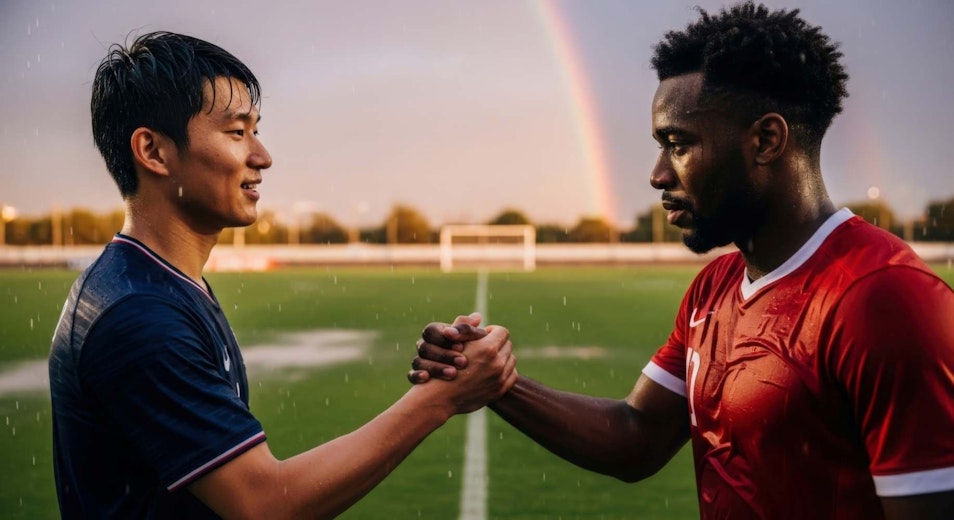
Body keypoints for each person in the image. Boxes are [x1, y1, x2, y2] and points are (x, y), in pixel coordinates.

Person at [410, 3, 954, 518]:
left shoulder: (883, 299)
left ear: (767, 140)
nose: (657, 175)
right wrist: (496, 383)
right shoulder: (714, 287)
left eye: (678, 144)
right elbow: (637, 435)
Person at [48, 32, 517, 518]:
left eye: (256, 130)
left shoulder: (156, 284)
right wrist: (440, 398)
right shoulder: (140, 314)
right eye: (237, 132)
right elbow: (264, 504)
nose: (262, 156)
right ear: (154, 151)